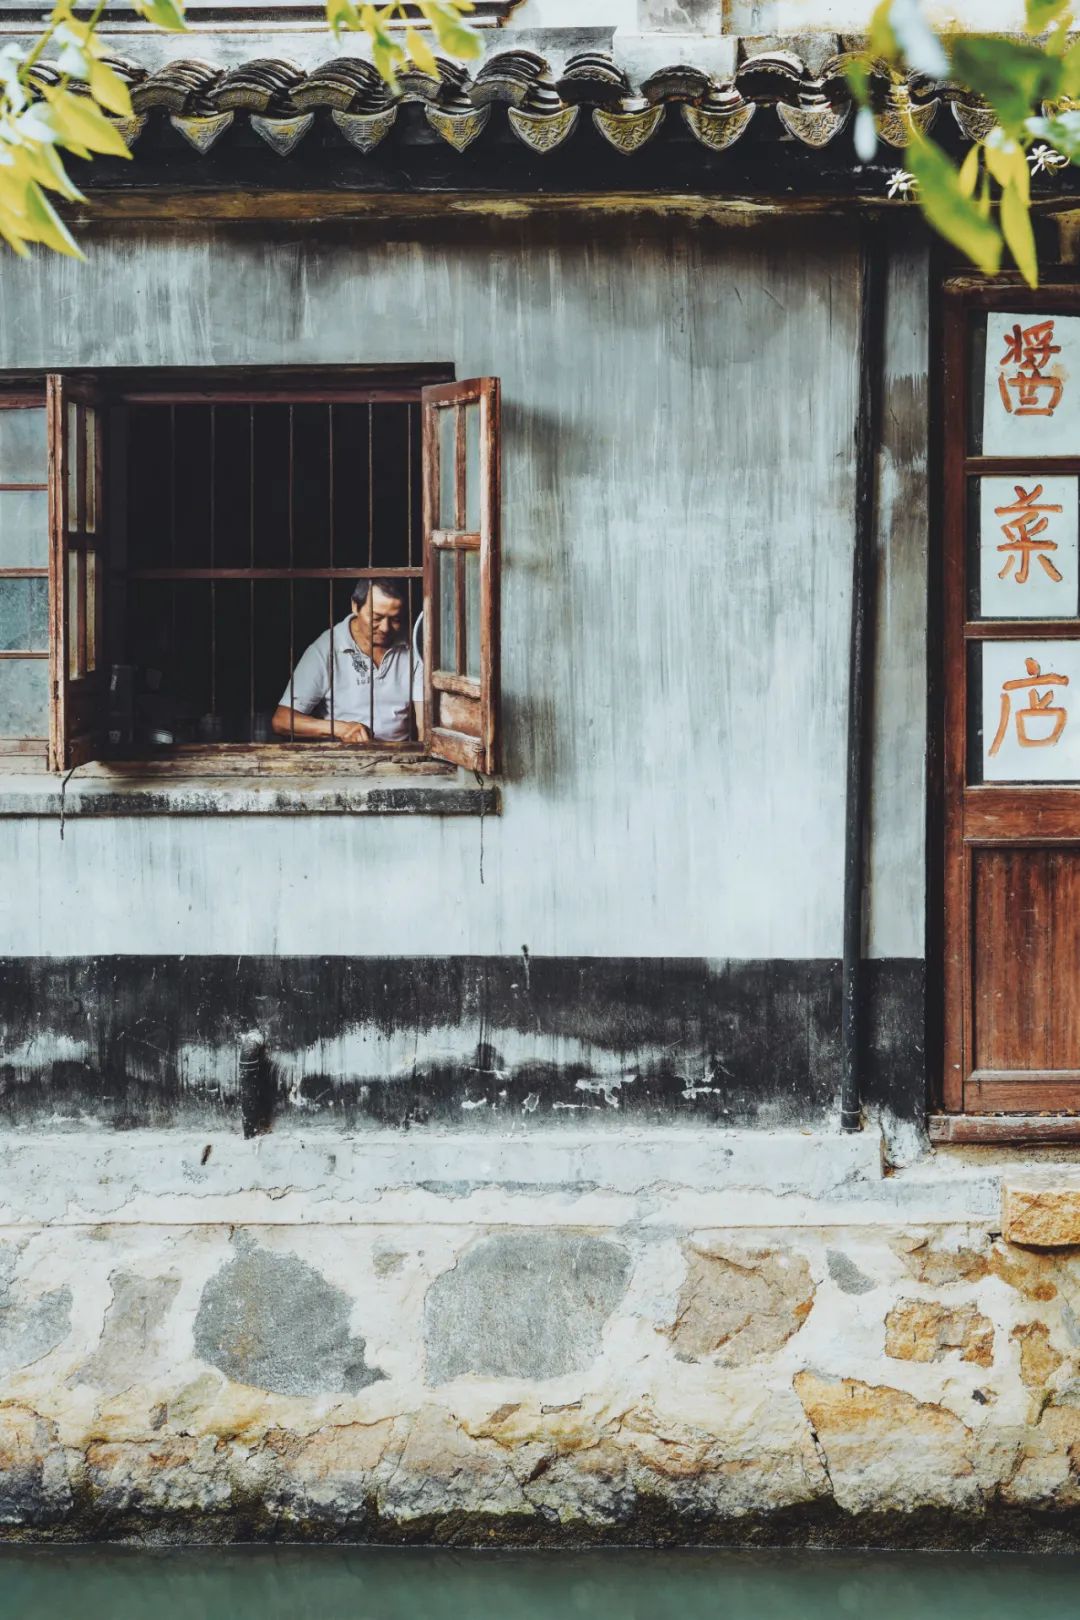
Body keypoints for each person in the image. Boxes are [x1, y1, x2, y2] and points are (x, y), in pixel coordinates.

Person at [272, 578, 423, 745]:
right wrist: (340, 729)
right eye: (376, 618)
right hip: (343, 759)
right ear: (355, 606)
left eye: (395, 619)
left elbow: (424, 725)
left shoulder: (414, 645)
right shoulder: (327, 649)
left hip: (399, 758)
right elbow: (282, 720)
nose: (385, 628)